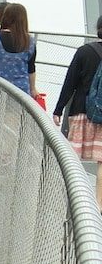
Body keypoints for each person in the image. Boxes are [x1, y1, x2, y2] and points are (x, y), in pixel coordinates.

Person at [53, 16, 102, 201]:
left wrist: (58, 110)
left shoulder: (84, 52)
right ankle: (99, 204)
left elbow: (70, 83)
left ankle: (76, 200)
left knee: (74, 159)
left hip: (83, 111)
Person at [0, 2, 39, 99]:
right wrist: (33, 89)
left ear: (5, 17)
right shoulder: (29, 41)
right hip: (21, 90)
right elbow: (31, 68)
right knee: (15, 114)